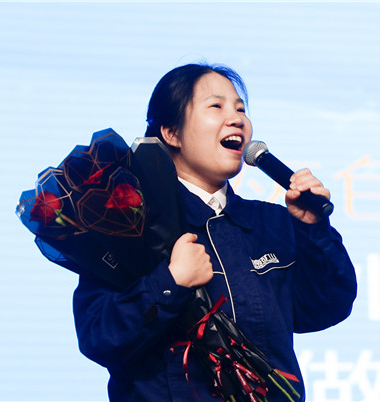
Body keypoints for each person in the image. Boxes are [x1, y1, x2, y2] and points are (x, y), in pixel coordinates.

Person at [72, 63, 357, 401]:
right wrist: (170, 282)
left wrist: (313, 231)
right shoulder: (129, 224)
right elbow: (99, 337)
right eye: (216, 106)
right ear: (172, 133)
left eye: (240, 109)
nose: (236, 119)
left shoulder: (272, 223)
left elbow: (326, 308)